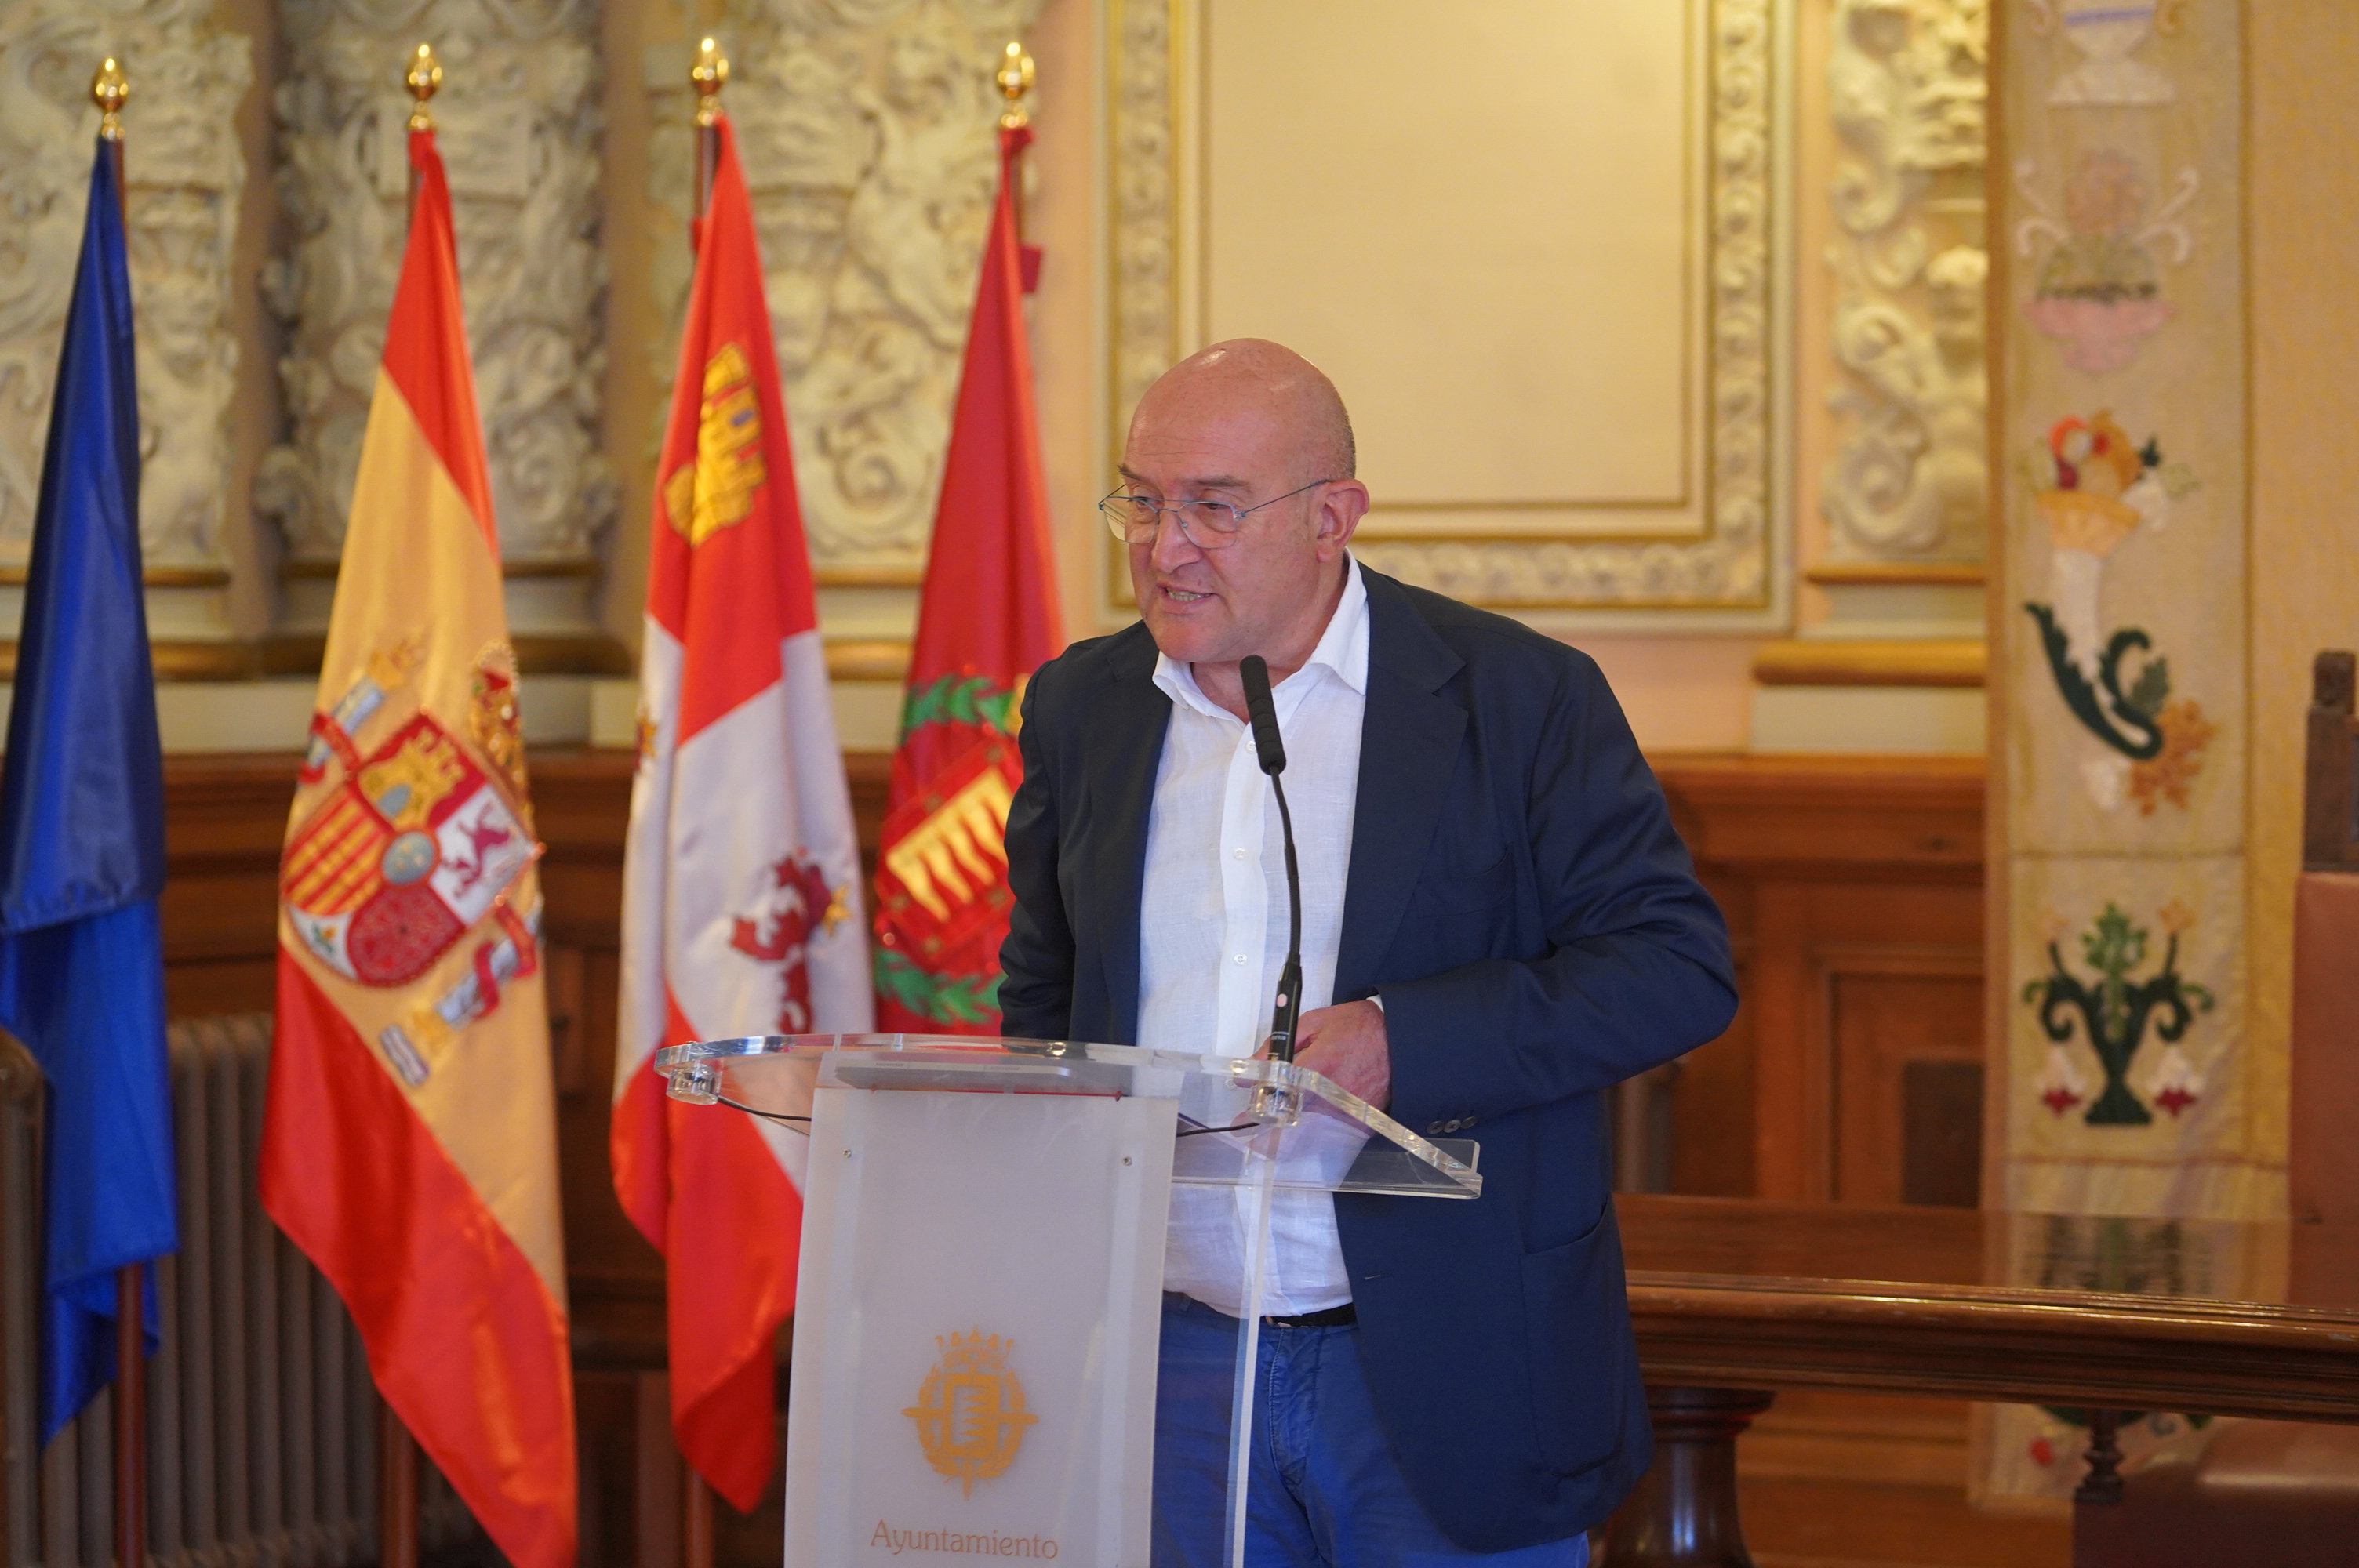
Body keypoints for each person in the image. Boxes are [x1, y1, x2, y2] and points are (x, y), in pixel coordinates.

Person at [998, 339, 1737, 1566]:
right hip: (1168, 1361)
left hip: (1445, 1359)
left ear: (1332, 516)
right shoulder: (1085, 708)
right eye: (1143, 500)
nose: (1165, 548)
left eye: (1215, 508)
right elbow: (1046, 995)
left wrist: (1407, 1040)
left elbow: (1674, 969)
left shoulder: (1517, 698)